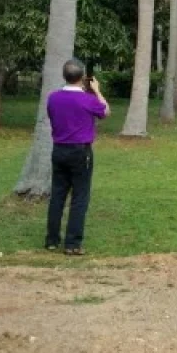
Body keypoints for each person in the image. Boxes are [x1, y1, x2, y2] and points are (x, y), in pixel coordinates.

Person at [45, 59, 110, 255]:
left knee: (57, 195)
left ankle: (52, 240)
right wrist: (97, 90)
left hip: (59, 150)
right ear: (82, 77)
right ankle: (72, 243)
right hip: (80, 152)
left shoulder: (53, 98)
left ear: (64, 76)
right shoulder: (88, 99)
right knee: (80, 197)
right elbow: (106, 111)